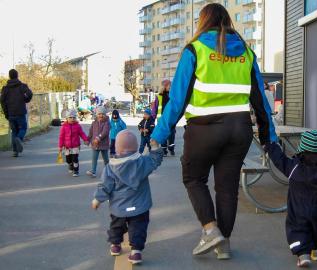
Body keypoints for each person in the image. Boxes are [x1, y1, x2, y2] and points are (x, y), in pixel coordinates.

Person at [150, 3, 277, 259]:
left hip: (204, 130)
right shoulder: (247, 53)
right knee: (227, 188)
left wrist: (158, 135)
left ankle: (210, 229)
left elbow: (177, 100)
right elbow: (260, 100)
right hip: (239, 130)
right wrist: (268, 137)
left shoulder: (194, 50)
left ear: (203, 21)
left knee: (194, 179)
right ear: (228, 21)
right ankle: (224, 245)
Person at [266, 130, 317, 267]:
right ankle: (316, 250)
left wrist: (270, 145)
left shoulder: (294, 167)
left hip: (298, 210)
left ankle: (303, 255)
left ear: (302, 147)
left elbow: (279, 159)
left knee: (298, 229)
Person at [91, 130, 163, 265]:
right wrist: (155, 148)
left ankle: (115, 245)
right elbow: (155, 160)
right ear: (135, 147)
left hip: (119, 207)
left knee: (116, 225)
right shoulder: (142, 162)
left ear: (117, 147)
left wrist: (97, 199)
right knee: (138, 227)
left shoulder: (111, 167)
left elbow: (105, 186)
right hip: (140, 207)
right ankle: (136, 252)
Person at [0, 69, 33, 157]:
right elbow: (30, 94)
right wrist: (26, 100)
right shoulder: (22, 86)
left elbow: (2, 101)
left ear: (9, 76)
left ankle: (15, 151)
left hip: (11, 113)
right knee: (23, 128)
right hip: (20, 112)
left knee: (14, 131)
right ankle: (19, 138)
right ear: (17, 76)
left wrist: (6, 113)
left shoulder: (5, 88)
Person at [58, 109, 89, 177]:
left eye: (74, 117)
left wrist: (85, 139)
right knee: (68, 160)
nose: (72, 119)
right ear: (67, 118)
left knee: (75, 159)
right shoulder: (64, 127)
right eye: (70, 117)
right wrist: (60, 146)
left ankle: (76, 171)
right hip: (67, 146)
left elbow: (82, 133)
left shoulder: (77, 126)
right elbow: (61, 137)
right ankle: (70, 165)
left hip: (76, 146)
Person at [152, 79, 175, 156]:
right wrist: (153, 117)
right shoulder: (159, 96)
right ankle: (164, 150)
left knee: (171, 133)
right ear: (165, 86)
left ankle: (171, 147)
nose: (171, 87)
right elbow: (155, 108)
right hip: (161, 118)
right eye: (169, 85)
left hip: (171, 118)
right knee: (163, 133)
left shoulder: (172, 95)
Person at [87, 106, 110, 177]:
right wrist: (88, 140)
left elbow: (105, 132)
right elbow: (91, 132)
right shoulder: (94, 123)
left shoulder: (106, 123)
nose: (101, 115)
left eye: (102, 114)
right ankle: (93, 171)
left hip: (103, 144)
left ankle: (109, 171)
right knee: (94, 158)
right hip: (95, 144)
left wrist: (98, 138)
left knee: (106, 159)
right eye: (99, 114)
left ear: (105, 115)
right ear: (96, 115)